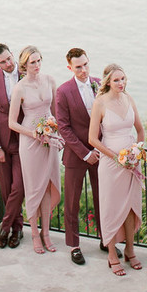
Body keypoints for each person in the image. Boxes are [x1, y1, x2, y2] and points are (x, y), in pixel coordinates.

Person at [89, 64, 145, 277]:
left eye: (123, 79)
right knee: (111, 208)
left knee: (130, 207)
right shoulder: (100, 103)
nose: (121, 83)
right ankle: (112, 253)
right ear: (107, 82)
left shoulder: (129, 99)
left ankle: (130, 250)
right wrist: (116, 157)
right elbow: (92, 139)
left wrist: (136, 152)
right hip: (111, 164)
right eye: (116, 80)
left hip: (131, 163)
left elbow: (140, 130)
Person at [56, 47, 107, 266]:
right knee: (72, 202)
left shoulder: (100, 85)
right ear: (70, 68)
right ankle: (74, 246)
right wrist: (85, 153)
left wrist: (102, 148)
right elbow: (64, 127)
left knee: (102, 198)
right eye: (78, 67)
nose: (84, 70)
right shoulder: (63, 91)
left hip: (101, 153)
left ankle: (106, 239)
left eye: (85, 65)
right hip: (76, 155)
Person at [8, 45, 61, 255]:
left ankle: (46, 233)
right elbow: (12, 123)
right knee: (33, 188)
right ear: (24, 65)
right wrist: (34, 134)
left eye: (39, 61)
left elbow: (56, 113)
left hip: (49, 138)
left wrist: (57, 134)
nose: (37, 65)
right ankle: (34, 234)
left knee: (47, 185)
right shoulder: (19, 88)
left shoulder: (50, 80)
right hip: (30, 141)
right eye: (33, 62)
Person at [0, 43, 24, 249]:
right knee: (6, 188)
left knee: (19, 186)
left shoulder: (26, 73)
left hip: (24, 140)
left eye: (9, 58)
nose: (9, 64)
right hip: (2, 141)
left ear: (12, 55)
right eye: (3, 62)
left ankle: (5, 227)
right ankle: (17, 229)